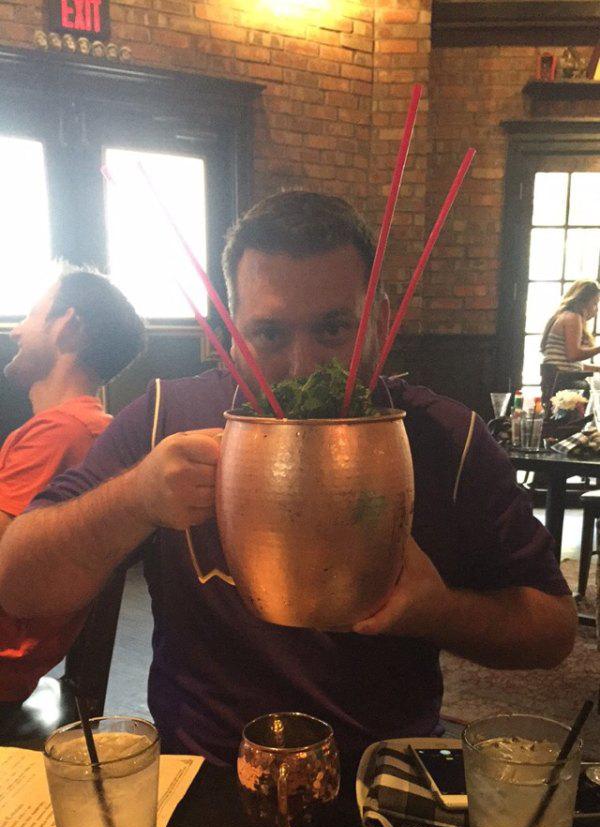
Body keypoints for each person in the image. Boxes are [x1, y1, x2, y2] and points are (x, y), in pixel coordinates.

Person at [0, 193, 576, 765]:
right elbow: (17, 585)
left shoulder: (450, 437)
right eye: (269, 335)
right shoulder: (162, 419)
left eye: (334, 329)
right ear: (231, 332)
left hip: (384, 772)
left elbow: (553, 631)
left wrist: (439, 610)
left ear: (379, 319)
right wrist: (136, 498)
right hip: (204, 772)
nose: (303, 367)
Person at [0, 268, 145, 704]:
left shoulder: (60, 433)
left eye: (31, 315)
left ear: (67, 325)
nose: (15, 331)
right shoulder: (96, 430)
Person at [540, 279, 600, 410]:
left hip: (558, 378)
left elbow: (571, 364)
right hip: (562, 383)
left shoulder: (564, 315)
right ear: (584, 301)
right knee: (596, 388)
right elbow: (573, 355)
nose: (596, 310)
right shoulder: (573, 317)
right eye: (595, 303)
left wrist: (597, 368)